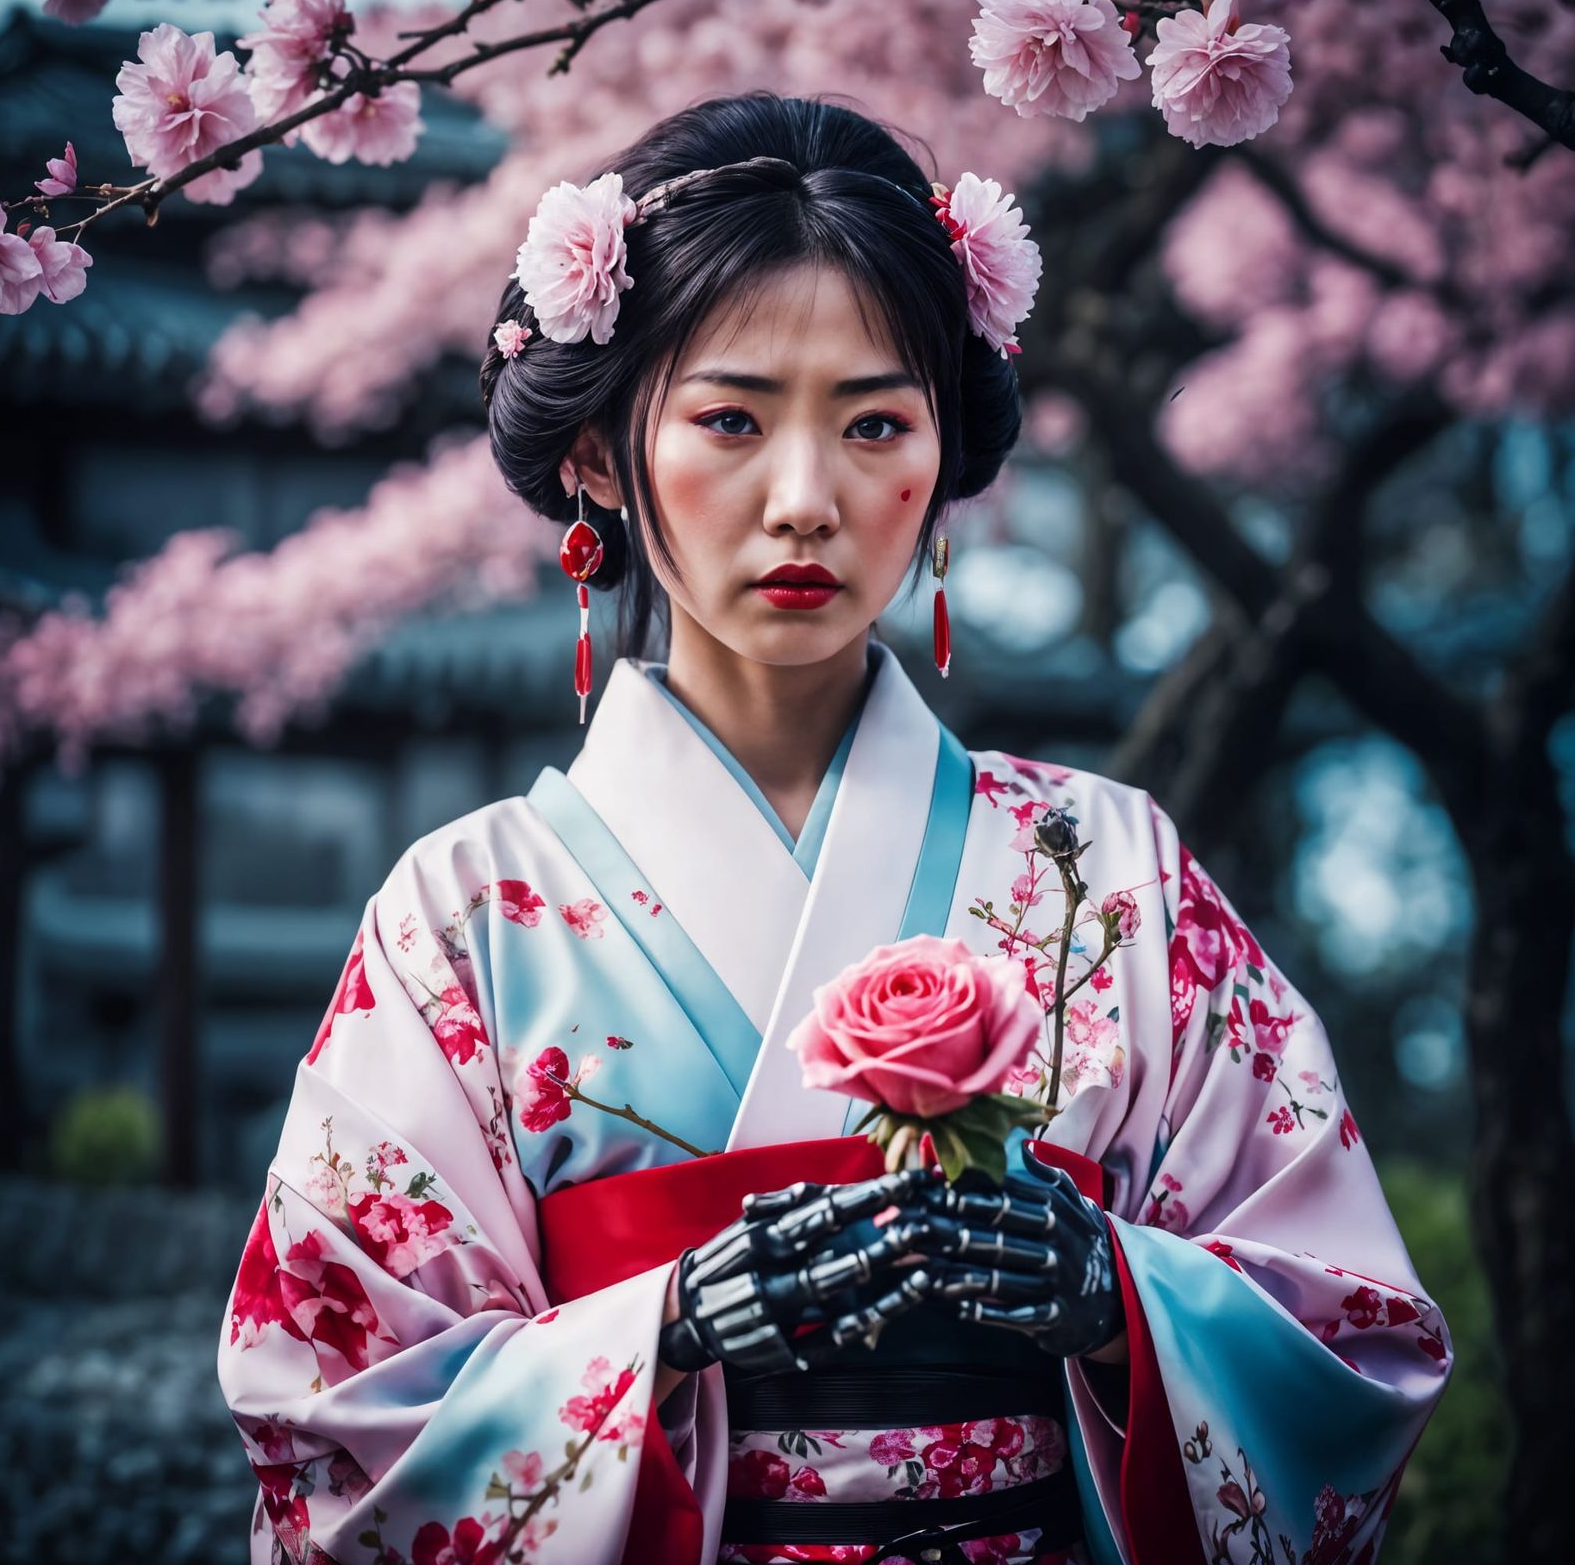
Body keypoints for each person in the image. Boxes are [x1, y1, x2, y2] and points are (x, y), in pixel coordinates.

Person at [217, 92, 1451, 1565]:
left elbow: (1352, 1338)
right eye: (730, 420)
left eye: (875, 424)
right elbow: (331, 1414)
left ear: (940, 457)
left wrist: (1121, 1303)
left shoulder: (1110, 872)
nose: (806, 500)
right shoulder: (465, 912)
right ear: (599, 455)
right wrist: (665, 1329)